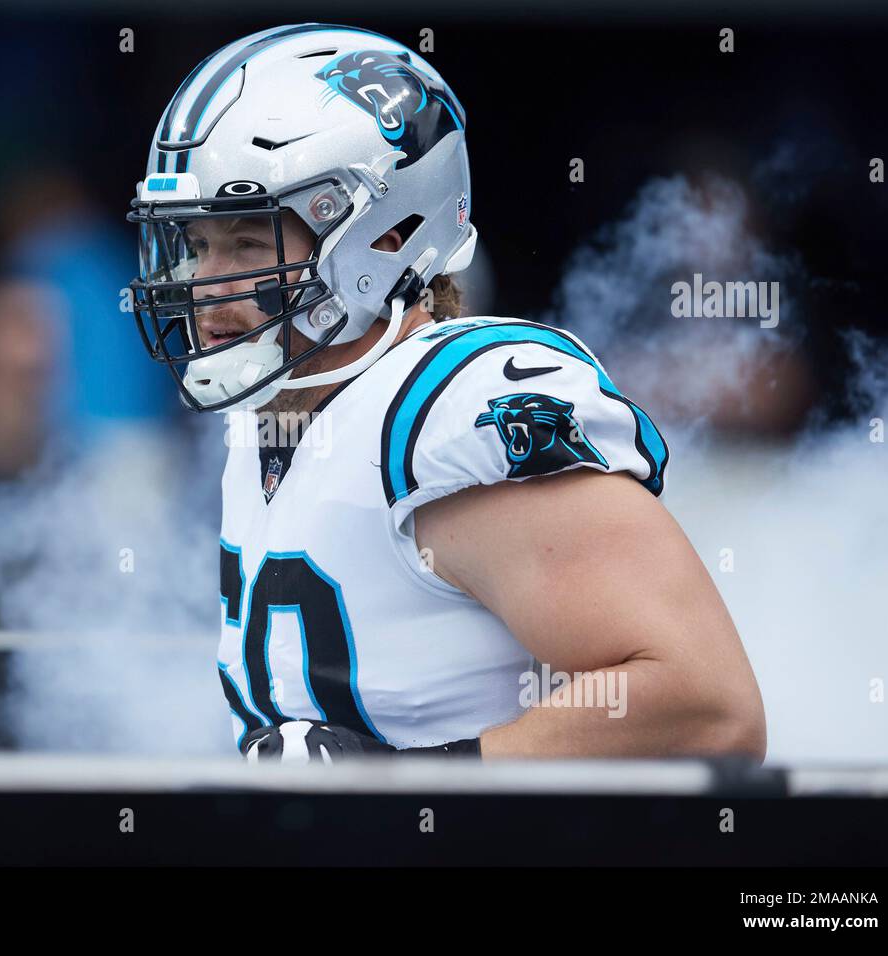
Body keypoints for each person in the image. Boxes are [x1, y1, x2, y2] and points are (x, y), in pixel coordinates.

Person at [126, 24, 766, 763]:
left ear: (387, 236)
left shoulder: (448, 413)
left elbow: (706, 703)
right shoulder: (279, 416)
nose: (208, 284)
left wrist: (418, 786)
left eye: (247, 242)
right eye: (197, 245)